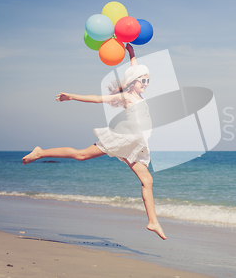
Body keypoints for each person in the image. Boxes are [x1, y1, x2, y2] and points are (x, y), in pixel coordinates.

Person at [22, 44, 166, 240]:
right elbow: (98, 99)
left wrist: (132, 54)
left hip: (135, 145)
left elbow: (136, 70)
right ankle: (40, 152)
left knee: (147, 180)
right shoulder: (126, 96)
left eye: (148, 80)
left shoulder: (139, 95)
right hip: (121, 139)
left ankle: (153, 222)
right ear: (133, 82)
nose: (146, 83)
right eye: (143, 80)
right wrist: (72, 96)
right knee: (81, 155)